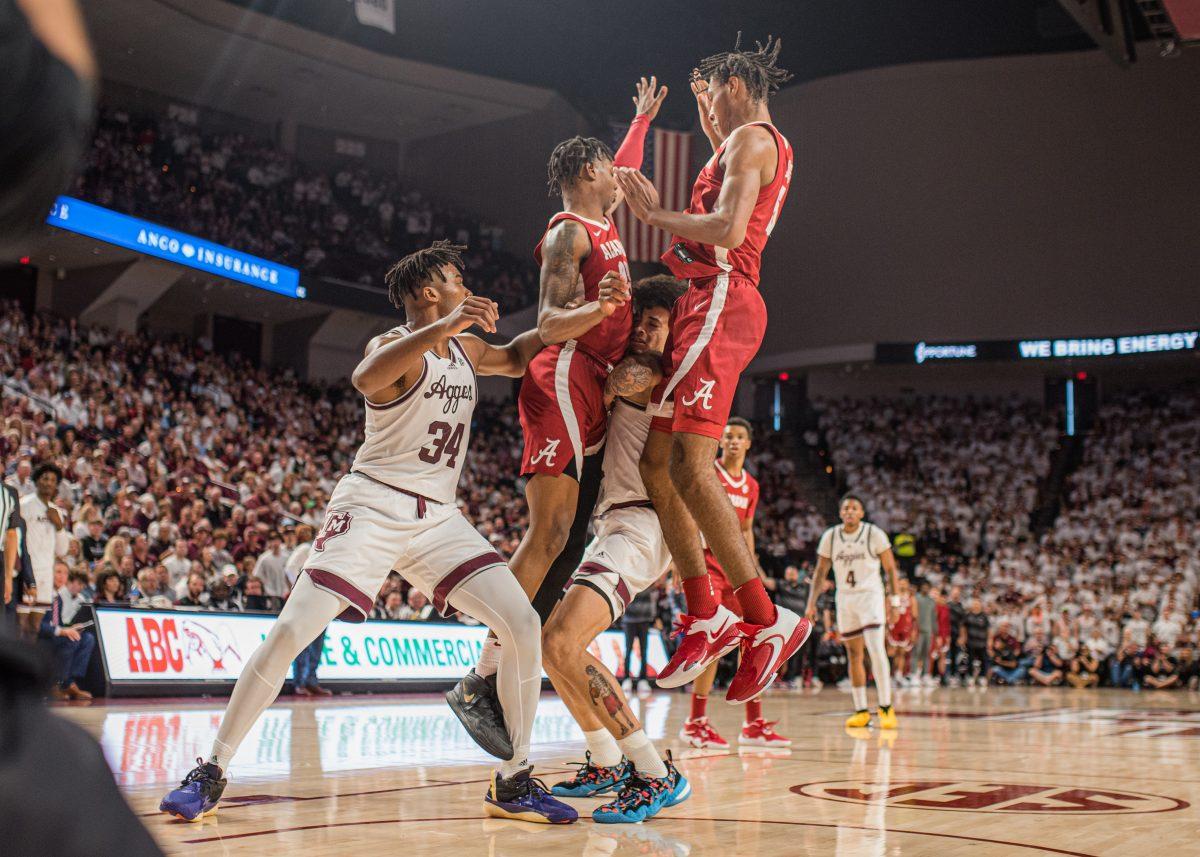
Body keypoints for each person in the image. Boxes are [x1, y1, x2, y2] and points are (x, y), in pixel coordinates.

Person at [160, 241, 575, 825]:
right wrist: (451, 324)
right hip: (372, 504)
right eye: (457, 278)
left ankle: (513, 780)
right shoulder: (391, 347)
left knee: (522, 620)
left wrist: (586, 317)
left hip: (439, 517)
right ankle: (212, 768)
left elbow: (515, 355)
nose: (466, 284)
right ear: (431, 292)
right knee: (290, 632)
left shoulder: (463, 348)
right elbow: (364, 377)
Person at [449, 77, 664, 750]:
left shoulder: (600, 220)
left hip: (588, 382)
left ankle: (507, 671)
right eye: (612, 169)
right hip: (566, 374)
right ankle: (479, 675)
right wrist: (600, 311)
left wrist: (640, 121)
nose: (624, 179)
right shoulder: (572, 232)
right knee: (552, 533)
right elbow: (548, 320)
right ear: (589, 172)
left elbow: (625, 170)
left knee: (568, 546)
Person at [616, 38, 806, 701]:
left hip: (722, 292)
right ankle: (705, 609)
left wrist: (650, 215)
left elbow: (726, 228)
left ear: (734, 84)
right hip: (704, 297)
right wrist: (705, 117)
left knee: (693, 465)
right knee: (656, 463)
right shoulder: (740, 138)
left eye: (714, 97)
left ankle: (761, 618)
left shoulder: (754, 141)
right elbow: (722, 164)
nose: (710, 118)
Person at [539, 275, 690, 822]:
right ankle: (606, 760)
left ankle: (653, 772)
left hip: (640, 526)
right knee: (548, 645)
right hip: (618, 523)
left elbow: (614, 382)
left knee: (560, 640)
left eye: (655, 322)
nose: (643, 330)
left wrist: (571, 366)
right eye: (640, 320)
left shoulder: (655, 371)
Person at [680, 418, 790, 748]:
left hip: (736, 572)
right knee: (714, 641)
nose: (732, 441)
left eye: (739, 436)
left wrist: (752, 571)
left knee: (752, 642)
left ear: (748, 444)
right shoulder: (708, 473)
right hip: (707, 567)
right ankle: (695, 721)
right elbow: (685, 517)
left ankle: (753, 723)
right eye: (727, 436)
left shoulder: (752, 485)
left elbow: (746, 531)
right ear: (719, 442)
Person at [806, 494, 900, 729]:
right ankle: (861, 710)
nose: (849, 511)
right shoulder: (831, 536)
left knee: (876, 650)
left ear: (861, 513)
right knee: (854, 654)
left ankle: (886, 708)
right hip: (846, 598)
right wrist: (811, 603)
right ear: (840, 513)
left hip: (870, 597)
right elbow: (819, 572)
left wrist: (895, 601)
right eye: (845, 508)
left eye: (854, 508)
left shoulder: (873, 533)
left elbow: (890, 569)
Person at [37, 566, 94, 700]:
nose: (62, 576)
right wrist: (62, 631)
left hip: (55, 634)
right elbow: (37, 625)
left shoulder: (58, 598)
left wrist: (71, 628)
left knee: (87, 638)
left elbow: (58, 622)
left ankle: (70, 682)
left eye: (65, 573)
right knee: (71, 639)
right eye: (58, 572)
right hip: (43, 637)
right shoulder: (42, 594)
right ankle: (56, 685)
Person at [19, 463, 69, 601]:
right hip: (27, 571)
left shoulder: (56, 511)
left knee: (37, 621)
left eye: (53, 480)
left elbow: (62, 550)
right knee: (22, 620)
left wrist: (59, 525)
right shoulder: (24, 505)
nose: (48, 483)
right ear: (37, 480)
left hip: (47, 572)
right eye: (45, 478)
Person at [961, 597, 990, 687]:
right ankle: (970, 678)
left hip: (982, 643)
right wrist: (963, 638)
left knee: (984, 660)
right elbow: (963, 627)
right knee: (970, 660)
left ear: (980, 606)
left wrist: (989, 640)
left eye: (978, 604)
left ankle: (982, 677)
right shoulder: (968, 615)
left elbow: (988, 629)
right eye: (975, 604)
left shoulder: (984, 616)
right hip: (970, 642)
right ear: (972, 606)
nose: (976, 606)